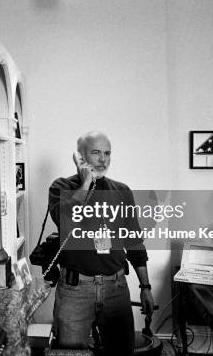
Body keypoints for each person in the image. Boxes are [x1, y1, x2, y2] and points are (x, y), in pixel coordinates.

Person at [48, 131, 154, 355]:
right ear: (80, 157)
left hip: (115, 288)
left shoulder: (122, 191)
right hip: (75, 291)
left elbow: (134, 242)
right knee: (70, 353)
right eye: (96, 152)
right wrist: (86, 181)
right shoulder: (61, 187)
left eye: (107, 153)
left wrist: (145, 287)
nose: (103, 159)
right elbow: (65, 216)